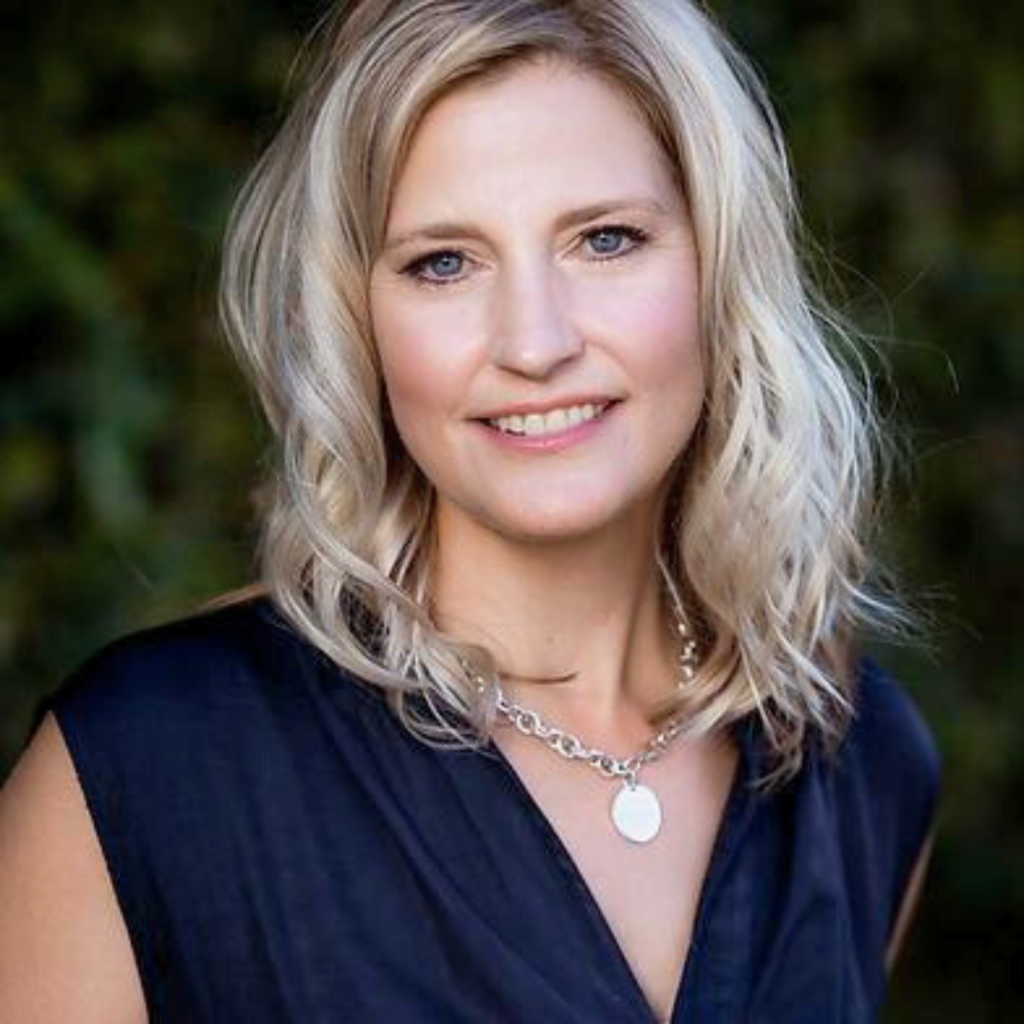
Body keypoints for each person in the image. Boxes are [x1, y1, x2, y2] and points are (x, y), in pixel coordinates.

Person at [0, 1, 942, 1021]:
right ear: (358, 319)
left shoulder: (859, 759)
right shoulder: (146, 766)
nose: (533, 342)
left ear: (720, 270)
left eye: (606, 239)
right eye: (442, 262)